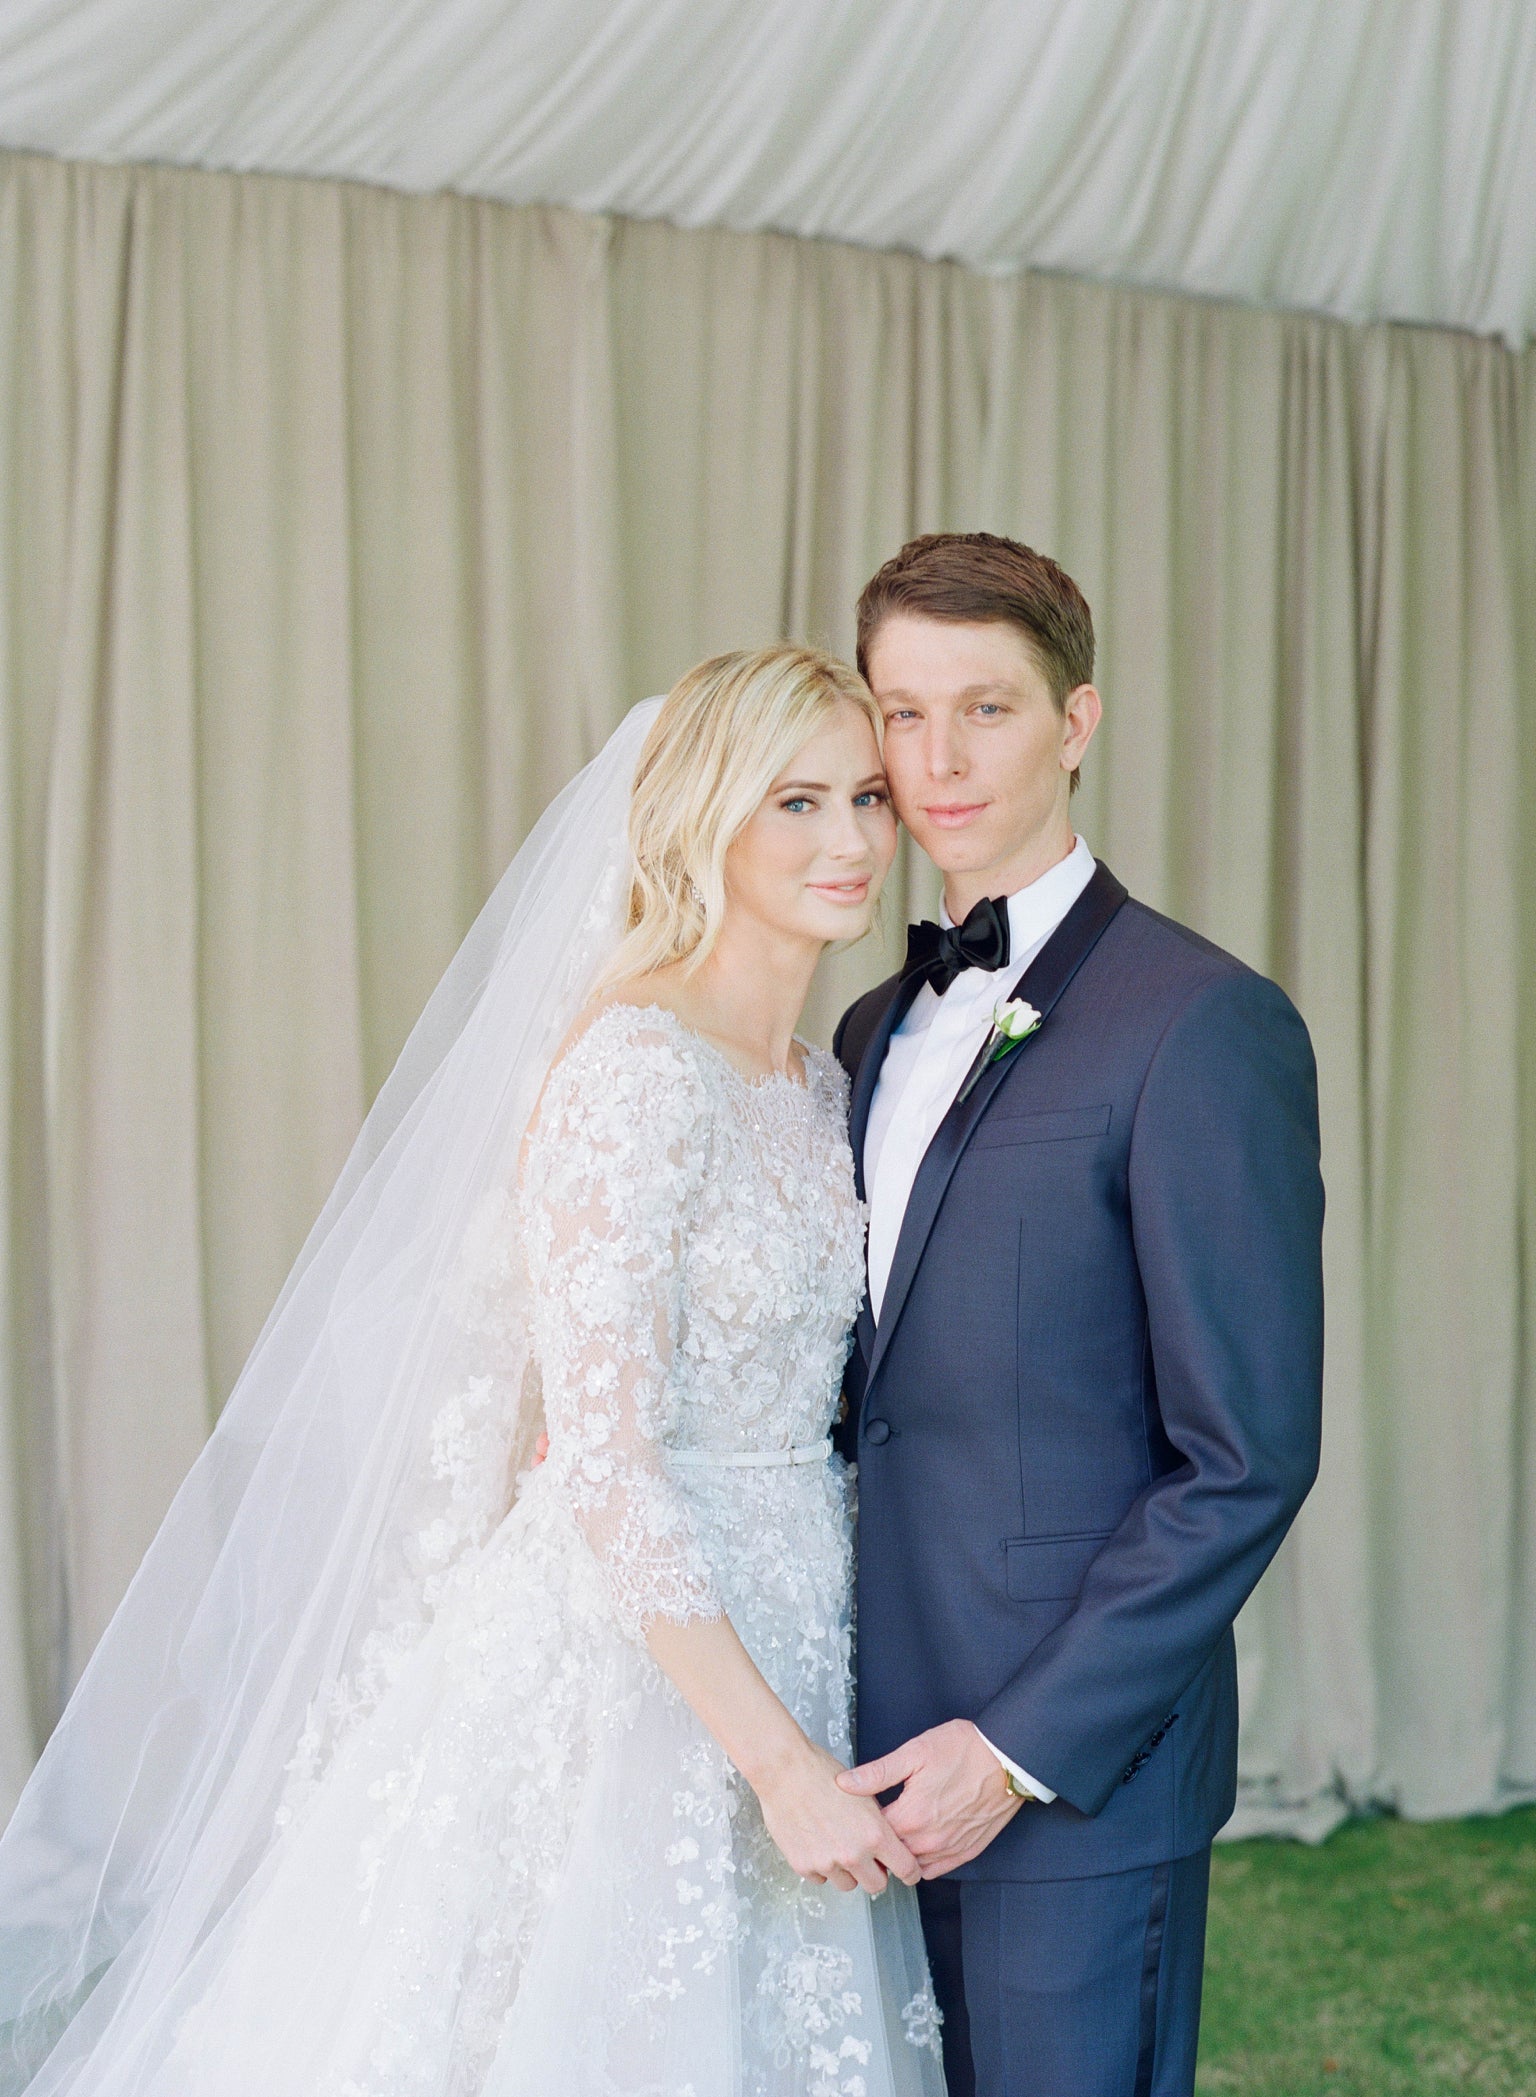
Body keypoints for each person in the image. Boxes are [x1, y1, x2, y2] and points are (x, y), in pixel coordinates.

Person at [0, 646, 946, 2097]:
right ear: (703, 817)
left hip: (800, 1605)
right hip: (638, 1659)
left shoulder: (818, 1084)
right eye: (795, 801)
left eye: (868, 797)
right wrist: (777, 1764)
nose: (850, 841)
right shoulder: (636, 1070)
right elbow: (606, 1460)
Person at [831, 534, 1325, 2097]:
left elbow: (1243, 1456)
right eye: (902, 715)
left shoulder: (1203, 1022)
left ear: (1077, 721)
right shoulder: (861, 1025)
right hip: (850, 1757)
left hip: (1072, 1781)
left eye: (985, 707)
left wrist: (1016, 1748)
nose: (938, 758)